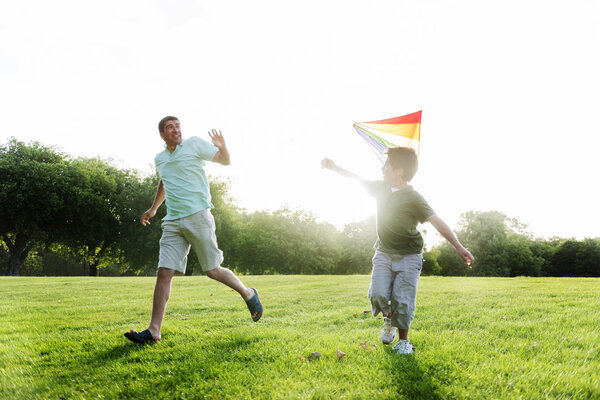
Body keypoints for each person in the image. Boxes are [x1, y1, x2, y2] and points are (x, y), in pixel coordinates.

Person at [322, 147, 473, 354]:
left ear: (399, 171)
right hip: (383, 252)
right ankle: (388, 318)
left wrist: (458, 246)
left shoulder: (414, 197)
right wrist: (334, 166)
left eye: (387, 165)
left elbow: (435, 221)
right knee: (377, 294)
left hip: (410, 256)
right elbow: (355, 178)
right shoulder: (380, 188)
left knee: (404, 299)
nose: (382, 168)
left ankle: (404, 341)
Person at [125, 116, 263, 344]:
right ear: (162, 134)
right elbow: (165, 182)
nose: (176, 130)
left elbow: (224, 161)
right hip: (173, 221)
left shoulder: (194, 144)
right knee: (164, 272)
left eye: (178, 125)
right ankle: (154, 331)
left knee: (212, 270)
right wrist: (153, 209)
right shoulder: (160, 158)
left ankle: (248, 293)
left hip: (198, 216)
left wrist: (223, 147)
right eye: (170, 127)